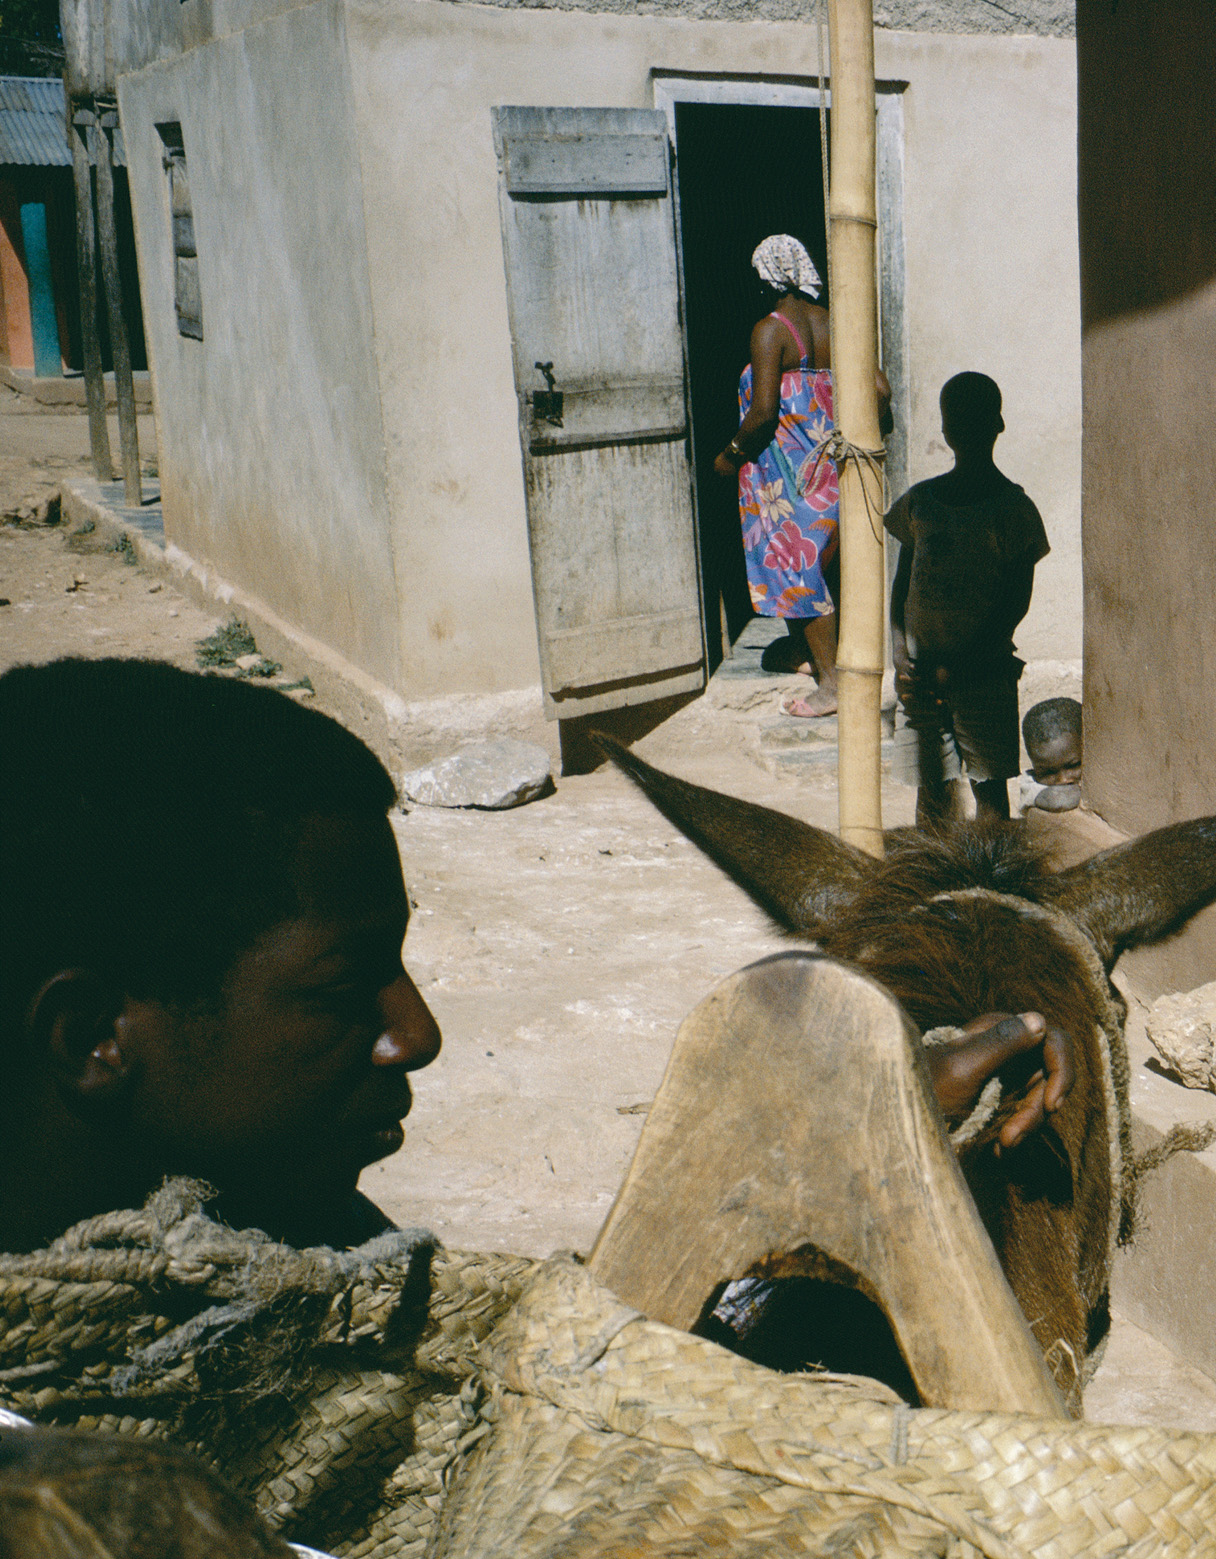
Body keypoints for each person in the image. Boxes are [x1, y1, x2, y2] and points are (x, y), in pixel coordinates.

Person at [0, 658, 1071, 1256]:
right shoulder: (93, 1507)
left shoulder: (292, 1231)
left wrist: (854, 1128)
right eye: (341, 987)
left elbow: (550, 1346)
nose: (417, 1035)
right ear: (92, 1037)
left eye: (403, 968)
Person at [711, 235, 890, 723]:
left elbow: (765, 411)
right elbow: (880, 389)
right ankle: (806, 653)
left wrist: (730, 454)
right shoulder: (837, 323)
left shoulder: (771, 330)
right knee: (816, 565)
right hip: (828, 468)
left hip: (785, 474)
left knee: (796, 569)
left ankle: (831, 684)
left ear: (766, 278)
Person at [889, 373, 1049, 821]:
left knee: (989, 791)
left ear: (998, 425)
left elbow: (1014, 604)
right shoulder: (920, 503)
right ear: (944, 430)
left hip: (984, 675)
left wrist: (960, 664)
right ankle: (934, 879)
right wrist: (900, 653)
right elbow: (902, 587)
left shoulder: (1013, 510)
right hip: (920, 678)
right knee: (931, 789)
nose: (963, 430)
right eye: (955, 420)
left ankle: (989, 880)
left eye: (974, 420)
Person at [1021, 696, 1083, 812]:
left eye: (1073, 766)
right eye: (1048, 773)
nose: (1063, 780)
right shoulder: (1031, 787)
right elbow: (1059, 800)